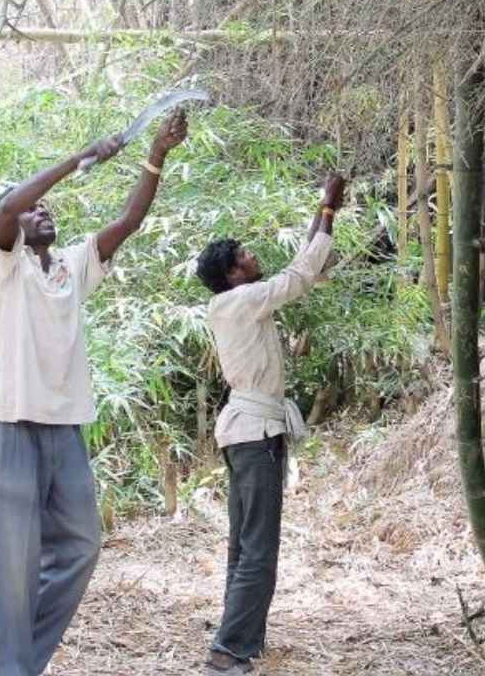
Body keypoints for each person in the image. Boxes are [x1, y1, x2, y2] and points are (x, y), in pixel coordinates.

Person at [0, 109, 188, 676]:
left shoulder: (71, 265)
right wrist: (79, 159)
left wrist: (156, 155)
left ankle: (21, 664)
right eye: (32, 210)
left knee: (81, 546)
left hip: (65, 430)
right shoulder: (5, 265)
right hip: (13, 426)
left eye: (43, 207)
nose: (40, 211)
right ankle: (15, 669)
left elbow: (129, 221)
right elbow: (7, 208)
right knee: (13, 566)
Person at [196, 173, 347, 675]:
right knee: (259, 548)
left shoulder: (234, 302)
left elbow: (302, 268)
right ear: (234, 274)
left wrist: (324, 212)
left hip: (245, 433)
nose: (252, 256)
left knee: (244, 545)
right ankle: (228, 650)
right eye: (244, 255)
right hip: (255, 435)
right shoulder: (242, 301)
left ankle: (242, 639)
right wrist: (329, 209)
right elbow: (299, 275)